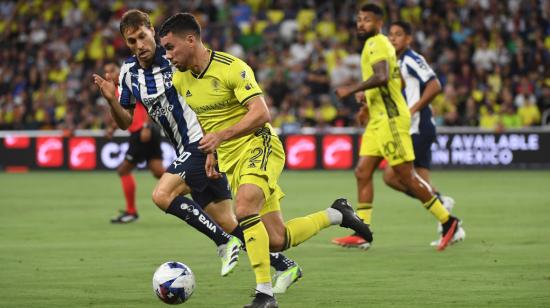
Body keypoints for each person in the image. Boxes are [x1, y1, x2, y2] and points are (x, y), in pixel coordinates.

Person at [159, 13, 372, 308]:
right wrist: (212, 152)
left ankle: (265, 294)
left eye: (170, 48)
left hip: (260, 144)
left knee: (244, 208)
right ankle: (337, 214)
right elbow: (204, 116)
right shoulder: (181, 79)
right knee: (275, 239)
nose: (167, 56)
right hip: (231, 159)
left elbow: (261, 113)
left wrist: (222, 136)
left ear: (191, 40)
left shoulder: (231, 68)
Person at [93, 11, 301, 289]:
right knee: (228, 221)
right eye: (131, 41)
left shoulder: (176, 61)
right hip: (186, 150)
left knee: (162, 194)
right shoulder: (129, 73)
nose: (139, 45)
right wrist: (111, 101)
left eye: (142, 37)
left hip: (202, 142)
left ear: (152, 31)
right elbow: (125, 122)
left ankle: (224, 244)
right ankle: (285, 265)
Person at [334, 4, 464, 252]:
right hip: (377, 119)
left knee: (405, 176)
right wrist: (367, 101)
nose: (361, 24)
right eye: (359, 20)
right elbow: (397, 79)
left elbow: (382, 76)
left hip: (391, 120)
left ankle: (449, 223)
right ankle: (363, 231)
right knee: (363, 172)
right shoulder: (375, 46)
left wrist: (351, 90)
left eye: (367, 20)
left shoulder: (379, 43)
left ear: (379, 22)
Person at [102, 60, 165, 224]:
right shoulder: (115, 90)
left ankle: (131, 212)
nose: (108, 75)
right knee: (158, 172)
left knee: (123, 170)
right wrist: (112, 128)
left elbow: (146, 103)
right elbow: (124, 114)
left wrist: (146, 125)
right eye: (106, 72)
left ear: (118, 71)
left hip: (142, 132)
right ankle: (195, 186)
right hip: (143, 132)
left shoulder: (129, 82)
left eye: (111, 70)